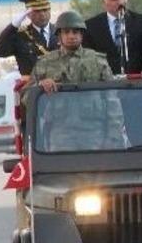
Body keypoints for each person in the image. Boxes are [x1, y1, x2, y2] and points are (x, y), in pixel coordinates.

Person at [31, 10, 123, 152]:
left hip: (94, 132)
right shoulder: (45, 63)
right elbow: (27, 97)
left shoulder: (97, 61)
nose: (71, 36)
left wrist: (113, 137)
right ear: (59, 36)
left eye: (75, 32)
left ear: (82, 35)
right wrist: (40, 86)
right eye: (66, 32)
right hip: (60, 133)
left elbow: (112, 100)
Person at [84, 0, 142, 146]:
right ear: (104, 2)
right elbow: (89, 58)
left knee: (141, 141)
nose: (120, 2)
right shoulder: (91, 26)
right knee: (109, 141)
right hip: (106, 95)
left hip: (136, 93)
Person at [0, 0, 58, 77]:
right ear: (28, 14)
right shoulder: (21, 36)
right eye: (37, 11)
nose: (42, 14)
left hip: (61, 84)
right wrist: (13, 26)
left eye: (45, 9)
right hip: (31, 84)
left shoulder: (60, 32)